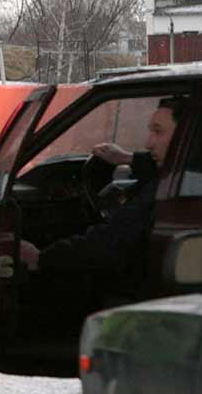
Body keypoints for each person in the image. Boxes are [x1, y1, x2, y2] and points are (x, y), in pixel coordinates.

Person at [19, 97, 184, 288]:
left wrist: (42, 258)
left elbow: (111, 242)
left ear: (185, 136)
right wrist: (128, 158)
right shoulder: (200, 170)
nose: (148, 143)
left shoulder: (167, 187)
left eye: (158, 132)